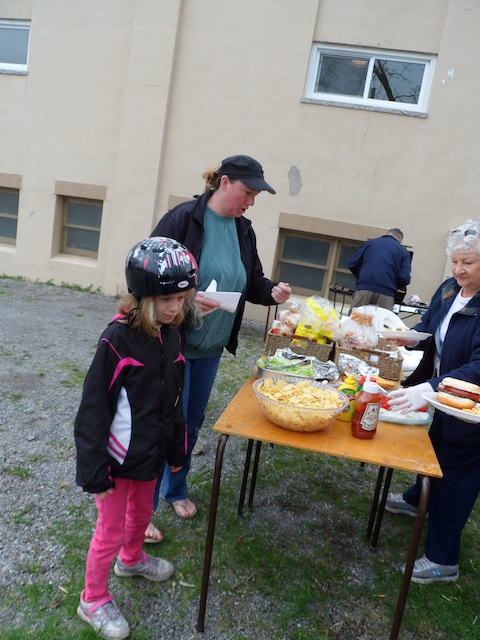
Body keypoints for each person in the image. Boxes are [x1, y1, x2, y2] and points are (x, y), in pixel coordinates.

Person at [147, 154, 291, 526]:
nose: (251, 201)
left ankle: (174, 490)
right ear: (224, 182)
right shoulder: (183, 219)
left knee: (191, 423)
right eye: (247, 192)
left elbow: (252, 280)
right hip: (173, 345)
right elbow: (149, 271)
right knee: (165, 425)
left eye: (256, 196)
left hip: (209, 349)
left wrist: (271, 291)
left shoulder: (244, 230)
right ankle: (142, 509)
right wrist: (185, 299)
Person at [74, 237, 198, 639]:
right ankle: (92, 599)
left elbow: (174, 400)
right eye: (166, 299)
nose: (175, 308)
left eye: (181, 299)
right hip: (115, 461)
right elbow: (93, 410)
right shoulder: (117, 339)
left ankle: (131, 559)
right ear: (141, 296)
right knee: (109, 529)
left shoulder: (171, 334)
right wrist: (94, 471)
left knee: (143, 514)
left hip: (150, 455)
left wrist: (177, 451)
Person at [387, 217, 480, 584]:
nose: (458, 269)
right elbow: (431, 328)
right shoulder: (450, 288)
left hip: (471, 408)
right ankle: (418, 500)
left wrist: (429, 389)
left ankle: (443, 559)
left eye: (468, 262)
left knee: (457, 476)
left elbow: (478, 367)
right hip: (445, 396)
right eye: (454, 261)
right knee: (435, 449)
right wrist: (409, 337)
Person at [347, 228, 411, 311]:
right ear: (400, 240)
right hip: (386, 293)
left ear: (387, 234)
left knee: (356, 317)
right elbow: (405, 278)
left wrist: (362, 277)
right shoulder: (403, 252)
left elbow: (352, 263)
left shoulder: (370, 243)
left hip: (364, 289)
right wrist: (393, 286)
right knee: (382, 318)